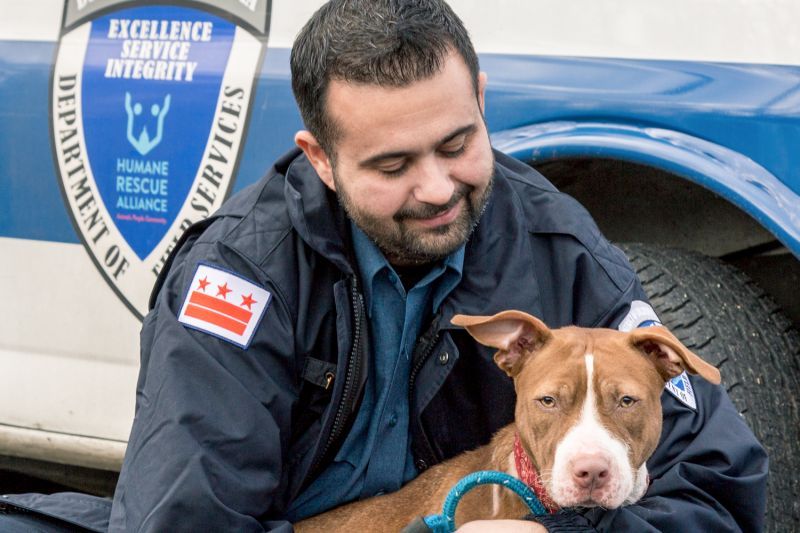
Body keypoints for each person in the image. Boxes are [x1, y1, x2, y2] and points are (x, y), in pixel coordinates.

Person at [0, 0, 765, 531]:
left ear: (482, 100)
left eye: (458, 144)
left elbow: (720, 487)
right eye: (393, 163)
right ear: (321, 160)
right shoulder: (239, 278)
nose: (437, 188)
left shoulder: (558, 249)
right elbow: (187, 515)